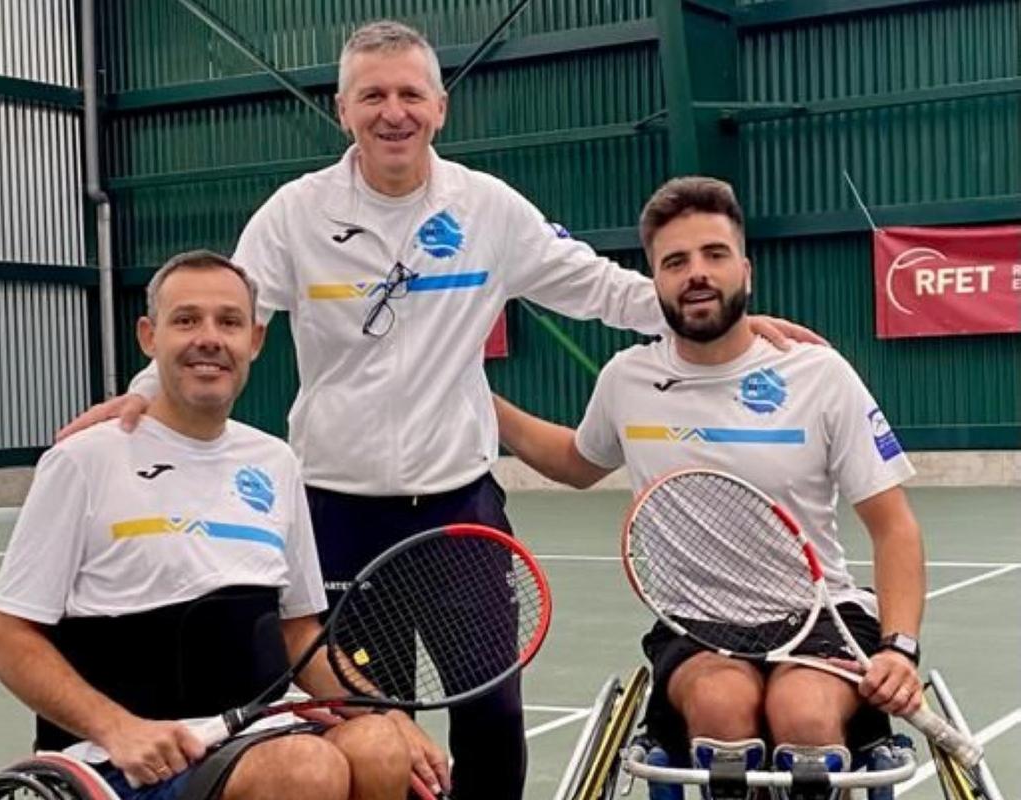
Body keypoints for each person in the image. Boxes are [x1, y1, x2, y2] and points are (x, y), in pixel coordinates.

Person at [58, 22, 822, 799]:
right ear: (342, 109)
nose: (394, 112)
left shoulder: (487, 208)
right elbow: (221, 312)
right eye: (373, 96)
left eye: (410, 94)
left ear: (441, 107)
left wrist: (712, 313)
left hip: (458, 506)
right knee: (366, 722)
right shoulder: (295, 214)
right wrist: (141, 393)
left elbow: (596, 284)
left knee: (491, 710)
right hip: (335, 512)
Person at [493, 176, 926, 768]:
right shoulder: (627, 380)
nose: (696, 272)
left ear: (745, 270)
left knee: (804, 716)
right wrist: (480, 402)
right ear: (656, 281)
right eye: (675, 262)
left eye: (714, 255)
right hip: (695, 626)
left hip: (819, 616)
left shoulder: (819, 375)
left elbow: (893, 526)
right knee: (723, 706)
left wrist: (900, 649)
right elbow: (575, 462)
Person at [0, 250, 447, 800]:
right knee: (305, 769)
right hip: (124, 757)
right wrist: (117, 727)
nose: (209, 338)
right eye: (186, 320)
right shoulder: (84, 461)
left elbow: (297, 632)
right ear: (148, 337)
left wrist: (388, 716)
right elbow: (7, 640)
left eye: (228, 322)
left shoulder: (275, 461)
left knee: (378, 746)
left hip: (258, 735)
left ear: (254, 340)